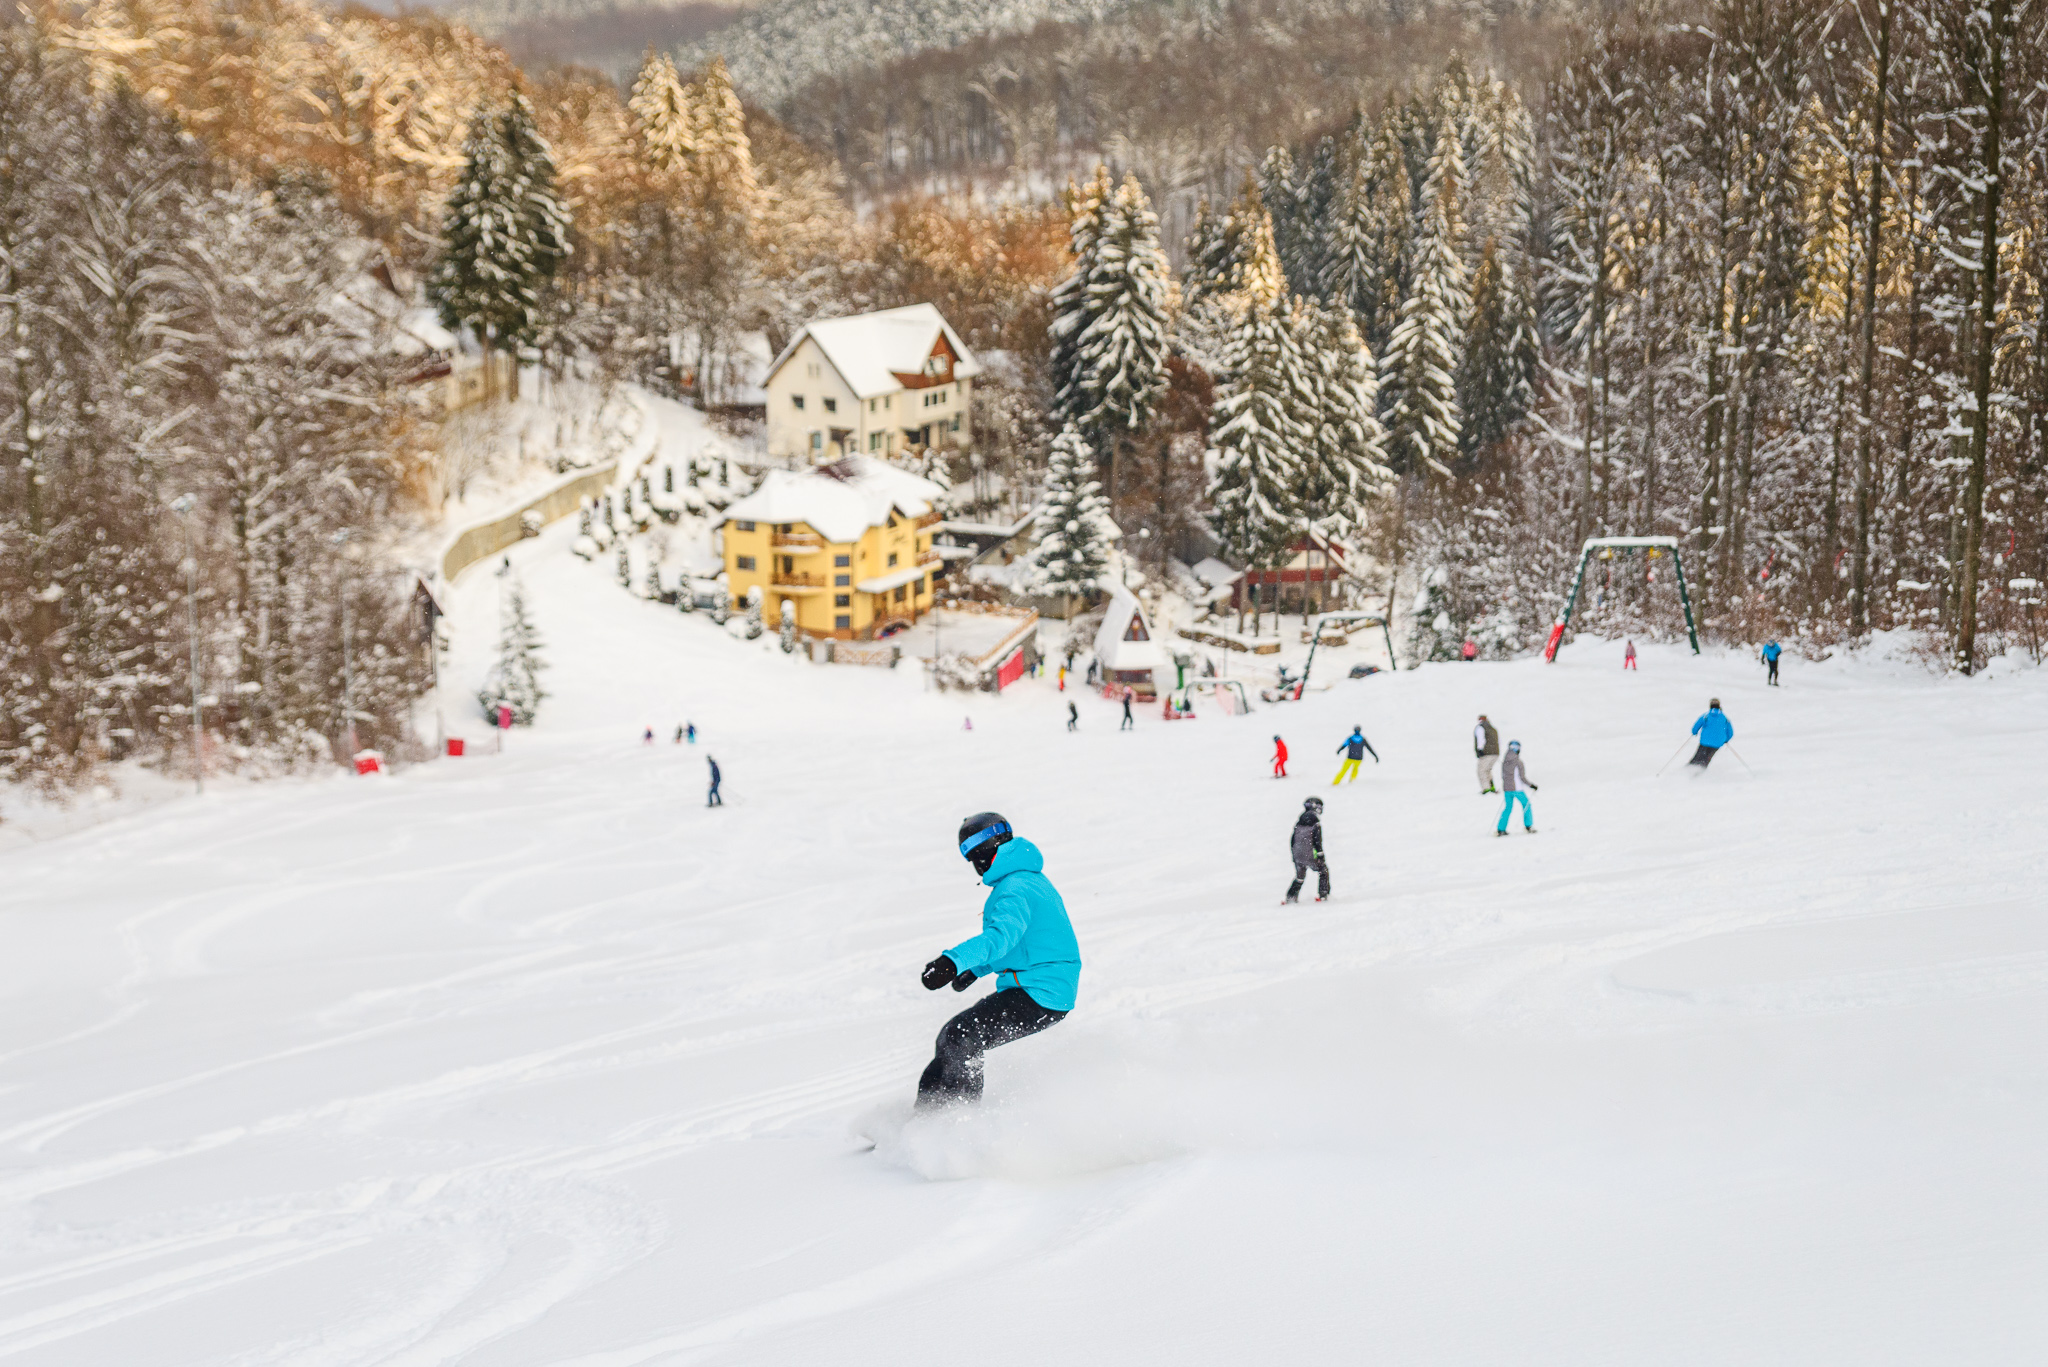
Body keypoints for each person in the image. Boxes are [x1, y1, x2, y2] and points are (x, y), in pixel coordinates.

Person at [916, 813, 1080, 1108]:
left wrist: (952, 961)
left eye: (973, 852)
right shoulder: (1027, 880)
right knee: (953, 1038)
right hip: (1043, 987)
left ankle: (956, 1127)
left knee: (960, 1036)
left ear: (988, 848)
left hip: (1039, 992)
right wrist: (976, 969)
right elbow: (1020, 943)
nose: (973, 864)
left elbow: (999, 938)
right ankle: (925, 1120)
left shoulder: (1014, 889)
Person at [1284, 797, 1328, 903]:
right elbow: (1317, 839)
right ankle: (1323, 894)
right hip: (1309, 854)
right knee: (1323, 870)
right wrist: (1320, 854)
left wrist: (1294, 855)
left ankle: (1290, 897)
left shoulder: (1299, 821)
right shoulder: (1315, 822)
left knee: (1300, 876)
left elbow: (1292, 839)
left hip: (1297, 854)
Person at [1496, 741, 1538, 835]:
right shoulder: (1518, 762)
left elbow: (1503, 776)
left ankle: (1501, 829)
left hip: (1507, 788)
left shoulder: (1505, 761)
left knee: (1508, 808)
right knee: (1526, 805)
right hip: (1517, 788)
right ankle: (1528, 826)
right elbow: (1522, 778)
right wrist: (1531, 785)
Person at [1689, 698, 1733, 767]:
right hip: (1717, 743)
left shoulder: (1706, 716)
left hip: (1705, 741)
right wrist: (1726, 740)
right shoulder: (1725, 718)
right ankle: (1700, 772)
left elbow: (1696, 726)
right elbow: (1730, 732)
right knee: (1707, 758)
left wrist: (1694, 732)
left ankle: (1689, 769)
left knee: (1698, 757)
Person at [1474, 713, 1500, 794]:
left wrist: (1480, 750)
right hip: (1495, 753)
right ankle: (1491, 786)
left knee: (1481, 770)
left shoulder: (1480, 728)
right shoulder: (1493, 728)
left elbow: (1481, 739)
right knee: (1488, 770)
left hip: (1486, 753)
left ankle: (1486, 788)